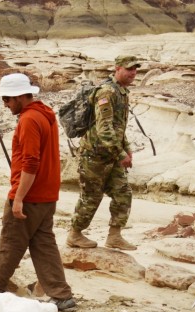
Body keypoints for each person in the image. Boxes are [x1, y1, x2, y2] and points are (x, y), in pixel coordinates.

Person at [0, 73, 76, 312]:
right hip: (47, 195)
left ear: (19, 96)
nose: (4, 104)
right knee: (44, 245)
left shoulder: (29, 120)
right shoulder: (45, 114)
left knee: (10, 244)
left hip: (30, 196)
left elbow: (31, 162)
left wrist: (19, 198)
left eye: (6, 99)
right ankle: (61, 295)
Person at [66, 54, 141, 252]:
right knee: (91, 196)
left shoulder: (122, 91)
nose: (133, 73)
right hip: (94, 155)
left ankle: (114, 236)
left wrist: (127, 149)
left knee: (123, 192)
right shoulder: (107, 92)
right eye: (129, 69)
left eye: (135, 69)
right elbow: (104, 128)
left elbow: (119, 127)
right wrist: (120, 154)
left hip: (111, 153)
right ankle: (74, 234)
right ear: (117, 68)